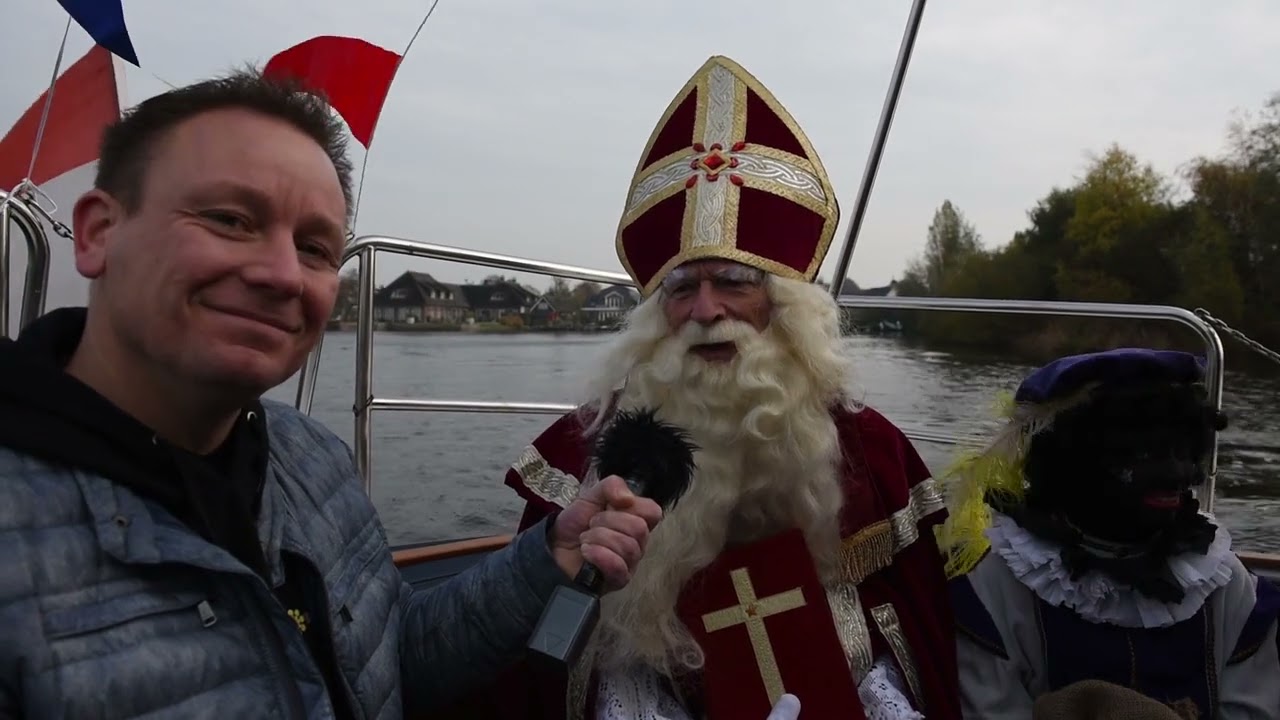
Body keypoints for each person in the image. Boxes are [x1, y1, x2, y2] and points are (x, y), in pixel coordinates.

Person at [0, 70, 662, 719]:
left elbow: (393, 663)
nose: (283, 274)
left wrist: (547, 559)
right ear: (98, 232)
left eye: (315, 249)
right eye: (230, 219)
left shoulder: (311, 458)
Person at [492, 55, 961, 720]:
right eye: (682, 288)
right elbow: (546, 651)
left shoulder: (867, 448)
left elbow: (908, 623)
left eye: (734, 282)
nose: (706, 310)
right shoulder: (587, 450)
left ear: (784, 307)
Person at [937, 348, 1280, 718]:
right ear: (1071, 462)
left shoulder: (1223, 581)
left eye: (1182, 453)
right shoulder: (998, 587)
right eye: (1143, 454)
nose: (1176, 475)